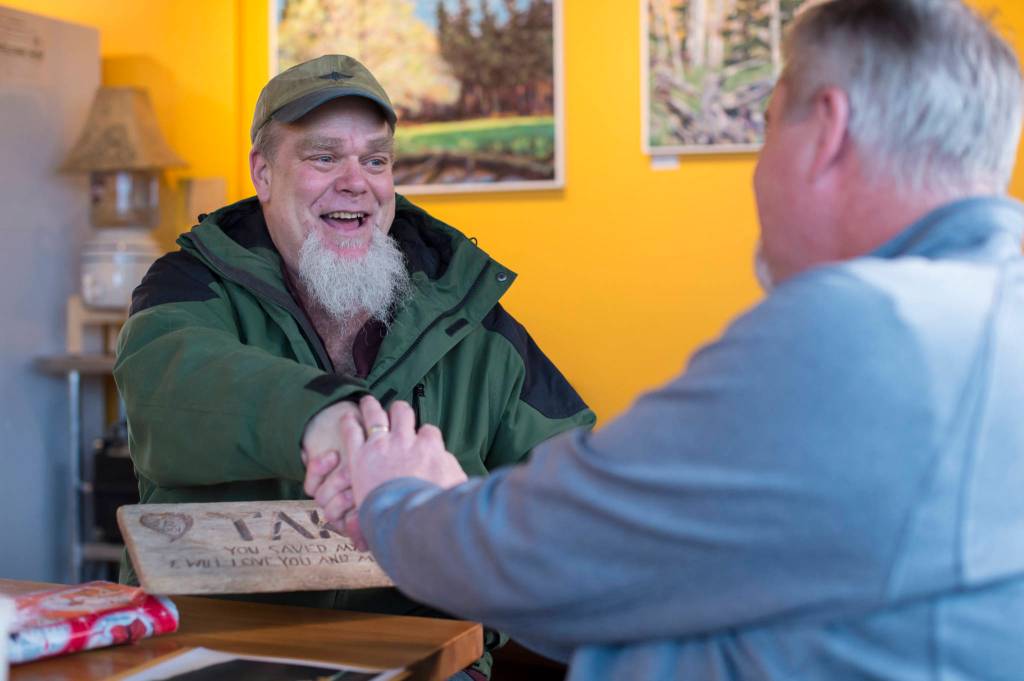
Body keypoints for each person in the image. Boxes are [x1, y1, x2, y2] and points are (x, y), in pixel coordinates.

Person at [305, 1, 1024, 679]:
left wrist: (396, 494)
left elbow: (552, 559)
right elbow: (621, 579)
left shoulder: (861, 329)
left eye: (767, 127)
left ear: (828, 130)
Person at [113, 54, 595, 680]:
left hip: (427, 666)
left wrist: (473, 556)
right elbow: (170, 384)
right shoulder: (190, 284)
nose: (355, 181)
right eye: (323, 158)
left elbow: (575, 493)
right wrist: (329, 421)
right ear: (263, 173)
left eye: (375, 160)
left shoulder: (470, 314)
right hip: (214, 663)